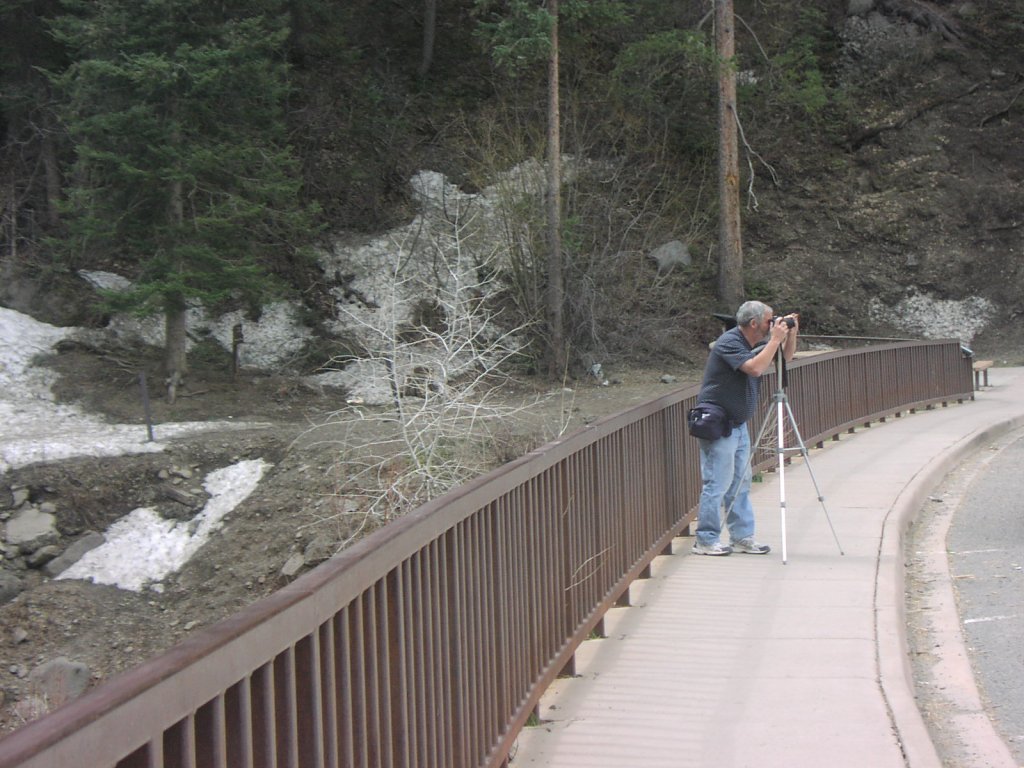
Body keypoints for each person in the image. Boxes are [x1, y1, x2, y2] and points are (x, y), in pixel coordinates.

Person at [692, 300, 799, 556]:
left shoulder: (755, 343)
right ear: (754, 323)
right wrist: (775, 339)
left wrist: (790, 336)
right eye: (769, 321)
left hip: (738, 425)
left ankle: (742, 536)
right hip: (719, 424)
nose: (772, 325)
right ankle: (705, 540)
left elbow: (785, 359)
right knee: (717, 483)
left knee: (741, 483)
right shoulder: (729, 342)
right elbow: (755, 368)